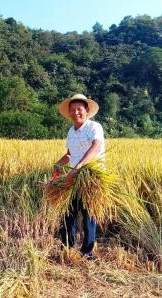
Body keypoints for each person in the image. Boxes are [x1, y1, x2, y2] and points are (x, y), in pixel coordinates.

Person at [54, 93, 105, 257]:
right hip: (73, 176)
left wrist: (79, 167)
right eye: (73, 110)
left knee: (89, 214)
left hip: (90, 176)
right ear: (69, 113)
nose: (76, 112)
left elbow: (96, 147)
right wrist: (57, 165)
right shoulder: (71, 131)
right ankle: (67, 247)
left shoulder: (94, 127)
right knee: (68, 212)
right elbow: (69, 153)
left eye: (79, 109)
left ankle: (87, 252)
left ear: (87, 110)